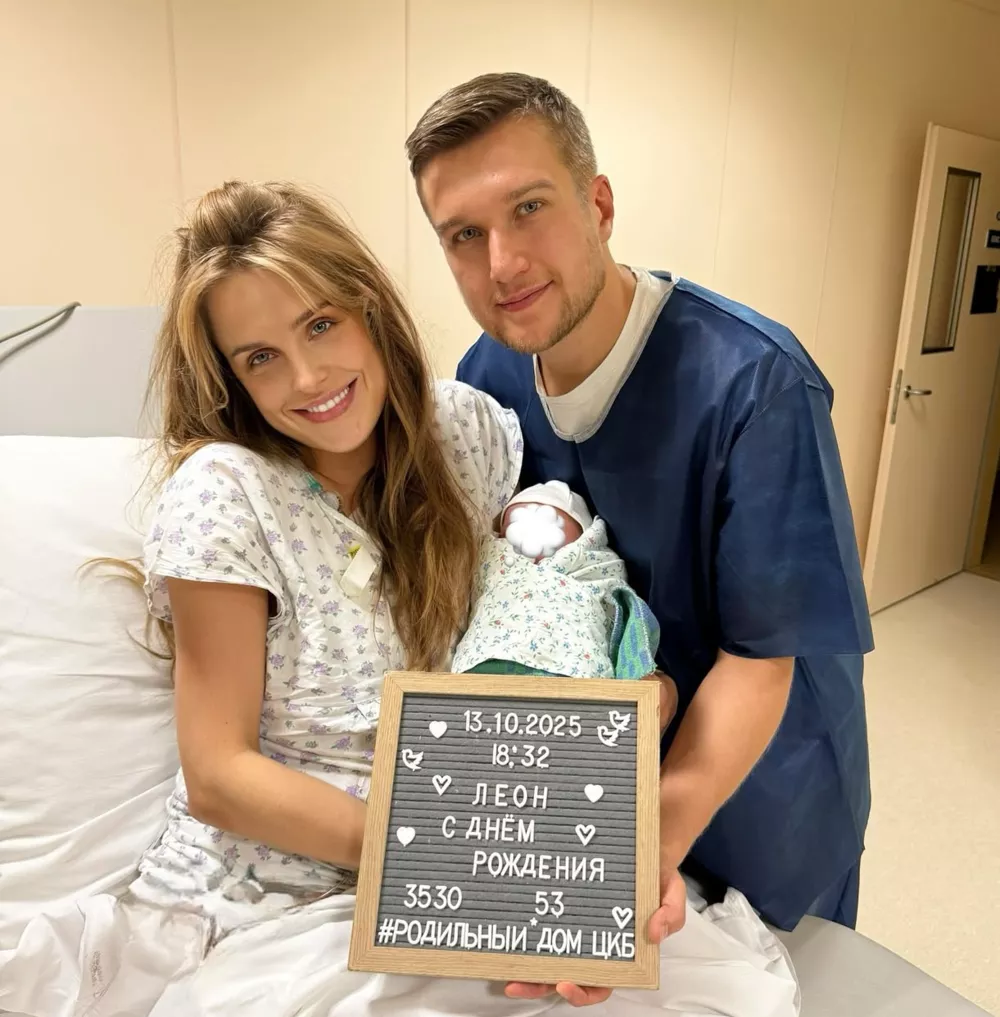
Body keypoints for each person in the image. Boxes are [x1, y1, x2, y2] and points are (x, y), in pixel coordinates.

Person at [0, 180, 799, 1017]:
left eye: (320, 324)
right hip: (274, 893)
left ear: (369, 307)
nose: (308, 377)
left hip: (458, 851)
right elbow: (219, 775)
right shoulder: (227, 496)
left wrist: (608, 760)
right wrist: (450, 857)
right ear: (232, 379)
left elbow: (540, 614)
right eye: (260, 357)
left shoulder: (464, 436)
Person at [407, 72, 874, 949]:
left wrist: (648, 837)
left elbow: (760, 661)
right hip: (598, 794)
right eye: (464, 235)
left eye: (529, 208)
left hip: (759, 796)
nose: (502, 264)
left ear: (600, 205)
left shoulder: (755, 386)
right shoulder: (485, 380)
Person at [454, 479, 665, 684]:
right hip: (486, 660)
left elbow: (627, 610)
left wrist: (638, 673)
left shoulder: (595, 568)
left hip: (573, 671)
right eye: (513, 523)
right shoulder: (491, 560)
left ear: (586, 538)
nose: (530, 529)